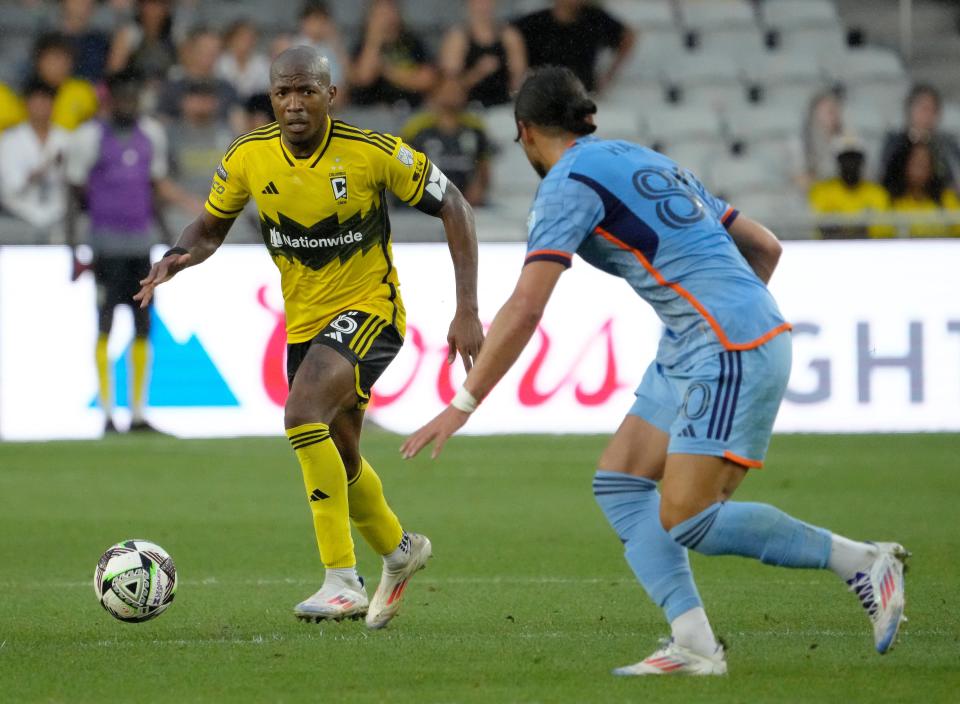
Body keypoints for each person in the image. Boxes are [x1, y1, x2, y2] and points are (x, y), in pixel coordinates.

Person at [402, 67, 908, 675]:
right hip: (707, 338)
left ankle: (862, 561)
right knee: (620, 482)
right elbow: (765, 246)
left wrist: (462, 404)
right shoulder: (646, 160)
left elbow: (527, 305)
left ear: (526, 132)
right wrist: (719, 317)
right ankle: (694, 643)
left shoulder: (567, 183)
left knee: (690, 515)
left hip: (723, 342)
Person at [134, 46, 484, 628]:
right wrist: (176, 257)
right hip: (304, 323)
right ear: (271, 99)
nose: (294, 104)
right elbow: (209, 227)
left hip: (371, 310)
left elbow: (455, 205)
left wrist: (466, 308)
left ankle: (341, 580)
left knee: (301, 415)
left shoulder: (373, 153)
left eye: (306, 91)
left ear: (330, 95)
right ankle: (400, 551)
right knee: (342, 455)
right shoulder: (249, 157)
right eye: (283, 93)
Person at [66, 69, 174, 434]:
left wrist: (168, 239)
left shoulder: (152, 135)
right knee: (105, 326)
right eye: (122, 95)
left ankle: (139, 414)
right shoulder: (89, 138)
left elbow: (153, 188)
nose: (129, 102)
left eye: (134, 95)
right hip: (106, 248)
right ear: (109, 98)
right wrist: (73, 250)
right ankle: (109, 414)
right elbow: (74, 193)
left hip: (140, 247)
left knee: (143, 327)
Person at [402, 78, 492, 207]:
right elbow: (403, 164)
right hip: (423, 202)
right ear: (436, 93)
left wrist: (478, 189)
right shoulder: (416, 127)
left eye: (456, 90)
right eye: (447, 90)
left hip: (467, 200)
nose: (452, 94)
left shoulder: (475, 127)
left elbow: (483, 164)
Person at [512, 0, 634, 95]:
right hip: (542, 94)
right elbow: (510, 33)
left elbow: (628, 35)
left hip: (582, 94)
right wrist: (519, 73)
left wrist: (610, 75)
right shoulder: (537, 21)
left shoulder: (594, 18)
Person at [0, 79, 70, 235]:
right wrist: (35, 175)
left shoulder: (65, 138)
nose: (41, 106)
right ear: (26, 104)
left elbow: (73, 184)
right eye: (36, 101)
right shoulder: (10, 140)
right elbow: (9, 188)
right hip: (17, 215)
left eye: (45, 101)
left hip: (57, 215)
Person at [0, 33, 99, 132]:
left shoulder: (81, 90)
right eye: (54, 58)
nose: (60, 65)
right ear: (38, 61)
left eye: (65, 60)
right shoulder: (20, 94)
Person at [349, 0, 437, 109]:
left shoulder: (412, 42)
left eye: (391, 11)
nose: (387, 18)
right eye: (381, 14)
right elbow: (363, 78)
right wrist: (374, 40)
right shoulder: (362, 45)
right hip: (372, 113)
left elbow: (428, 79)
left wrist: (387, 70)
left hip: (411, 111)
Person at [439, 0, 527, 108]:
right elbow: (449, 88)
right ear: (468, 4)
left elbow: (518, 78)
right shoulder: (457, 39)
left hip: (503, 106)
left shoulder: (510, 36)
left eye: (488, 1)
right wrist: (478, 72)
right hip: (468, 108)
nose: (484, 6)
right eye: (478, 2)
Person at [809, 135, 892, 239]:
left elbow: (881, 231)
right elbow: (822, 227)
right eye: (845, 159)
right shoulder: (822, 192)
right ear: (838, 162)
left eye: (854, 158)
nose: (850, 164)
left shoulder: (877, 193)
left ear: (862, 161)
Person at [880, 84, 960, 191]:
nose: (928, 116)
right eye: (924, 109)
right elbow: (886, 174)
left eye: (933, 110)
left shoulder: (946, 144)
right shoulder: (895, 142)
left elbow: (951, 175)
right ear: (910, 110)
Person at [156, 27, 239, 123]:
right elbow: (158, 123)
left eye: (215, 50)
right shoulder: (172, 88)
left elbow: (239, 126)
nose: (210, 55)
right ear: (192, 50)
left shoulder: (228, 90)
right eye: (205, 49)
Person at [885, 140, 960, 237]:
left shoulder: (946, 199)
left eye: (925, 163)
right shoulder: (889, 199)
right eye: (916, 163)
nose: (920, 169)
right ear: (904, 165)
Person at [107, 0, 179, 83]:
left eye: (159, 5)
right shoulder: (129, 33)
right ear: (140, 6)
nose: (153, 11)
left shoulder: (175, 34)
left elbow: (185, 70)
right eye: (149, 4)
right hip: (133, 87)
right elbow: (113, 72)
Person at [293, 1, 350, 100]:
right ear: (303, 22)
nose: (318, 25)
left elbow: (344, 76)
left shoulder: (332, 46)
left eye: (323, 21)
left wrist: (336, 44)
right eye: (314, 20)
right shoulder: (296, 45)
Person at [215, 19, 271, 101]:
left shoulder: (262, 62)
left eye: (250, 38)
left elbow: (265, 89)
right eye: (242, 38)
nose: (246, 42)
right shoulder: (220, 62)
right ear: (231, 39)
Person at [799, 89, 845, 188]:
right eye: (830, 111)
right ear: (814, 113)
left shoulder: (846, 140)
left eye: (836, 111)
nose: (835, 116)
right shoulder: (801, 143)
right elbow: (801, 179)